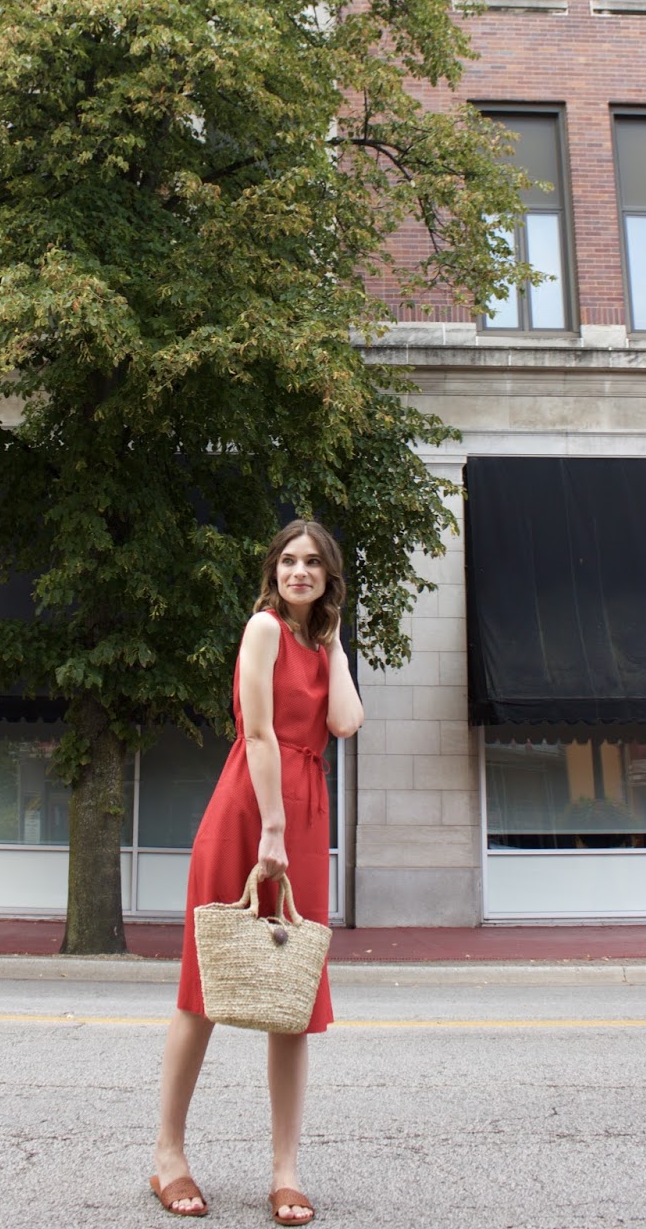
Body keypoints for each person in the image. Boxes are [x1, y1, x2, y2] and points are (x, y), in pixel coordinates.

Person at [150, 519, 365, 1224]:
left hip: (303, 810)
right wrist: (271, 824)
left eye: (312, 564)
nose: (297, 572)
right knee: (203, 987)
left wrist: (333, 641)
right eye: (287, 561)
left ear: (330, 578)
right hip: (253, 804)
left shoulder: (315, 638)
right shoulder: (265, 630)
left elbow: (346, 721)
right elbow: (262, 731)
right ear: (272, 570)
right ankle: (168, 1155)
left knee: (292, 1000)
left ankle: (285, 1170)